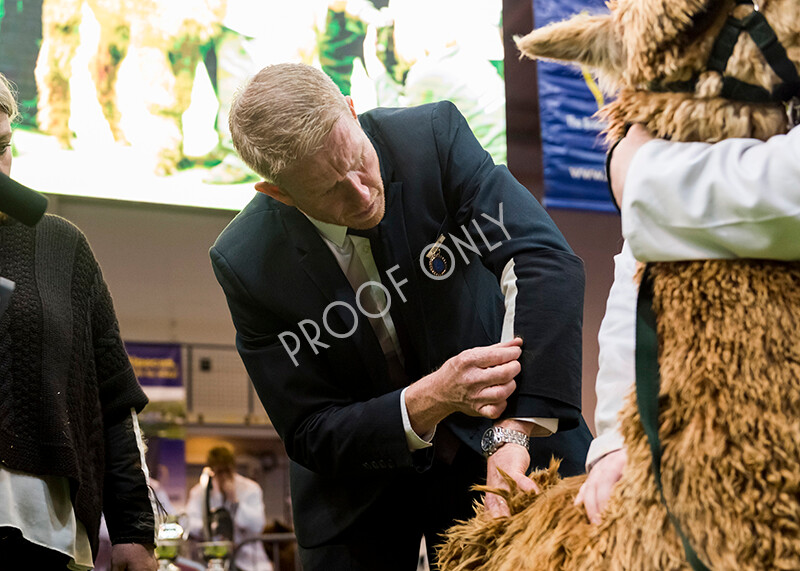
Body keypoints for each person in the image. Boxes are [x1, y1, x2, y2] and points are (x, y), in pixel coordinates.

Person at [210, 62, 592, 570]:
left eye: (357, 160)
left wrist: (514, 432)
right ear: (277, 193)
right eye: (329, 192)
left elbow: (542, 259)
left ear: (351, 110)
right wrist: (430, 398)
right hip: (359, 492)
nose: (362, 193)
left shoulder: (430, 137)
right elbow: (310, 429)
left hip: (506, 435)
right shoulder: (246, 262)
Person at [576, 123, 800, 523]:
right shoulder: (682, 115)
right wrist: (617, 437)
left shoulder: (646, 159)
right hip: (708, 452)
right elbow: (640, 275)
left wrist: (641, 175)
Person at [0, 73, 157, 569]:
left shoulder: (61, 247)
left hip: (42, 533)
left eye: (2, 146)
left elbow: (115, 401)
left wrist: (134, 531)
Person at [186, 446, 272, 571]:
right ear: (212, 471)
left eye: (227, 471)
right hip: (214, 560)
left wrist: (234, 501)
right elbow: (190, 522)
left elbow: (258, 525)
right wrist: (211, 527)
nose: (224, 476)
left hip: (249, 561)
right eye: (219, 472)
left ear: (233, 467)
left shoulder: (250, 488)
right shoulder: (200, 492)